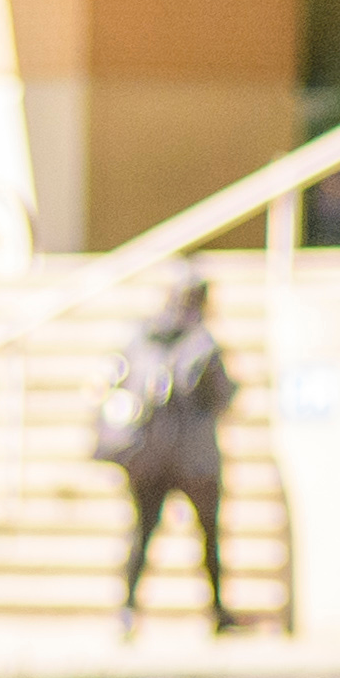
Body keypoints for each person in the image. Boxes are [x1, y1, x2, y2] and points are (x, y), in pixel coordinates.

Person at [99, 262, 239, 643]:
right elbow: (222, 395)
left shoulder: (140, 338)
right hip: (193, 458)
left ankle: (128, 609)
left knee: (141, 533)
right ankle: (218, 611)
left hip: (147, 456)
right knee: (208, 535)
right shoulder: (201, 343)